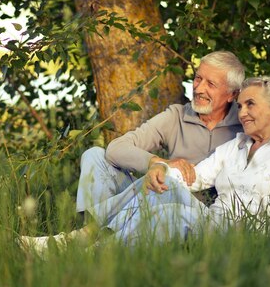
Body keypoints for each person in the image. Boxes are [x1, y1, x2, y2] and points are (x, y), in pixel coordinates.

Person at [19, 76, 270, 253]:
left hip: (252, 241)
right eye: (240, 106)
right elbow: (193, 179)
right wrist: (161, 171)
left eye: (251, 104)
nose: (242, 113)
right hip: (211, 225)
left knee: (166, 204)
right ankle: (86, 254)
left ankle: (76, 242)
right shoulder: (234, 148)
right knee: (164, 194)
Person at [75, 50, 246, 214]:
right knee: (94, 156)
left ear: (232, 94)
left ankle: (91, 231)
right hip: (159, 196)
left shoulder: (245, 127)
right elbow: (115, 148)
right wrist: (158, 162)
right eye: (198, 78)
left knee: (166, 189)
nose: (199, 88)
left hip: (201, 214)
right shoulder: (176, 116)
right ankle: (92, 231)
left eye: (211, 84)